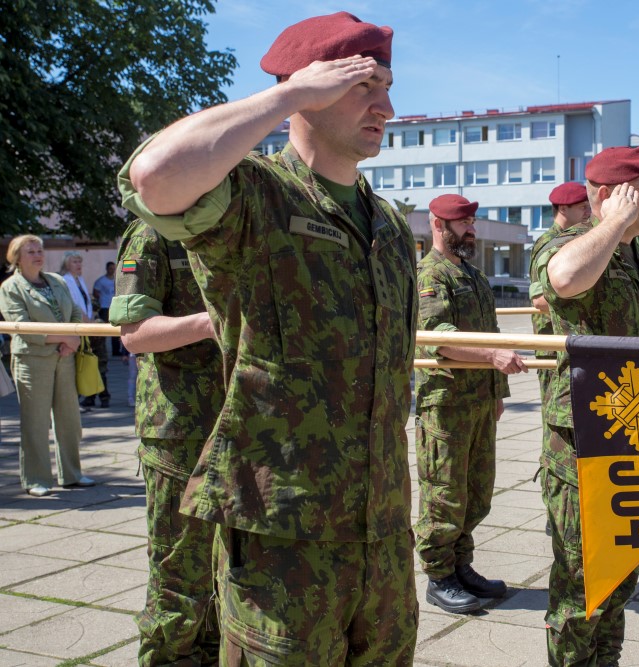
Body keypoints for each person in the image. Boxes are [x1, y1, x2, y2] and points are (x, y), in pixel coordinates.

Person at [118, 12, 418, 663]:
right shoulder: (257, 196)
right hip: (284, 538)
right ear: (308, 86)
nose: (386, 108)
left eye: (388, 88)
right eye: (362, 86)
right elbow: (155, 175)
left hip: (384, 534)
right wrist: (288, 95)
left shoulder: (391, 227)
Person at [536, 145, 639, 665]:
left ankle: (605, 660)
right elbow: (565, 279)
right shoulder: (570, 243)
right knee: (582, 577)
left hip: (636, 432)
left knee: (622, 568)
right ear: (611, 195)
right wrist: (612, 222)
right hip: (583, 443)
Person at [109, 220, 224, 665]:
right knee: (180, 569)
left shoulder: (233, 224)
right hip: (180, 429)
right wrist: (211, 321)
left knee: (227, 569)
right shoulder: (152, 234)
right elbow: (134, 333)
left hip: (239, 422)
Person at [415, 194, 527, 614]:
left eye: (473, 222)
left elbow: (491, 333)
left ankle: (461, 566)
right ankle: (439, 575)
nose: (471, 230)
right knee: (444, 493)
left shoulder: (473, 276)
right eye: (463, 223)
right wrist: (492, 358)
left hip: (479, 400)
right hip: (446, 404)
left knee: (477, 492)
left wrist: (498, 393)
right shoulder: (431, 274)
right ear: (438, 225)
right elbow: (438, 338)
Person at [0, 235, 95, 497]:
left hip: (65, 357)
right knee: (36, 422)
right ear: (17, 257)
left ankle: (72, 474)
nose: (38, 255)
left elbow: (74, 311)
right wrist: (66, 338)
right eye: (31, 251)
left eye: (40, 250)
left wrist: (72, 340)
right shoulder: (11, 287)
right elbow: (21, 327)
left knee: (70, 420)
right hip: (32, 360)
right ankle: (36, 479)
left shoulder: (56, 280)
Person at [529, 181, 591, 539]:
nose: (588, 212)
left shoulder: (581, 239)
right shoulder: (550, 243)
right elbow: (540, 299)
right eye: (582, 207)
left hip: (571, 351)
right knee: (558, 440)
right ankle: (556, 508)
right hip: (555, 354)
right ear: (563, 209)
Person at [61, 251, 110, 408]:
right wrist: (89, 323)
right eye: (75, 262)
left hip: (88, 326)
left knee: (95, 361)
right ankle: (89, 396)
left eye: (80, 261)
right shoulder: (65, 281)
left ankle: (98, 395)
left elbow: (86, 304)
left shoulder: (79, 279)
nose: (79, 265)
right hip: (80, 327)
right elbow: (74, 306)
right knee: (84, 362)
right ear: (67, 264)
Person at [92, 261, 123, 357]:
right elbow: (95, 292)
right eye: (110, 269)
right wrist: (102, 299)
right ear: (107, 269)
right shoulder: (101, 281)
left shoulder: (117, 280)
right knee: (104, 329)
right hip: (105, 307)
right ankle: (101, 351)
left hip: (115, 307)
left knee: (116, 328)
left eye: (114, 269)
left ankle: (116, 351)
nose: (112, 270)